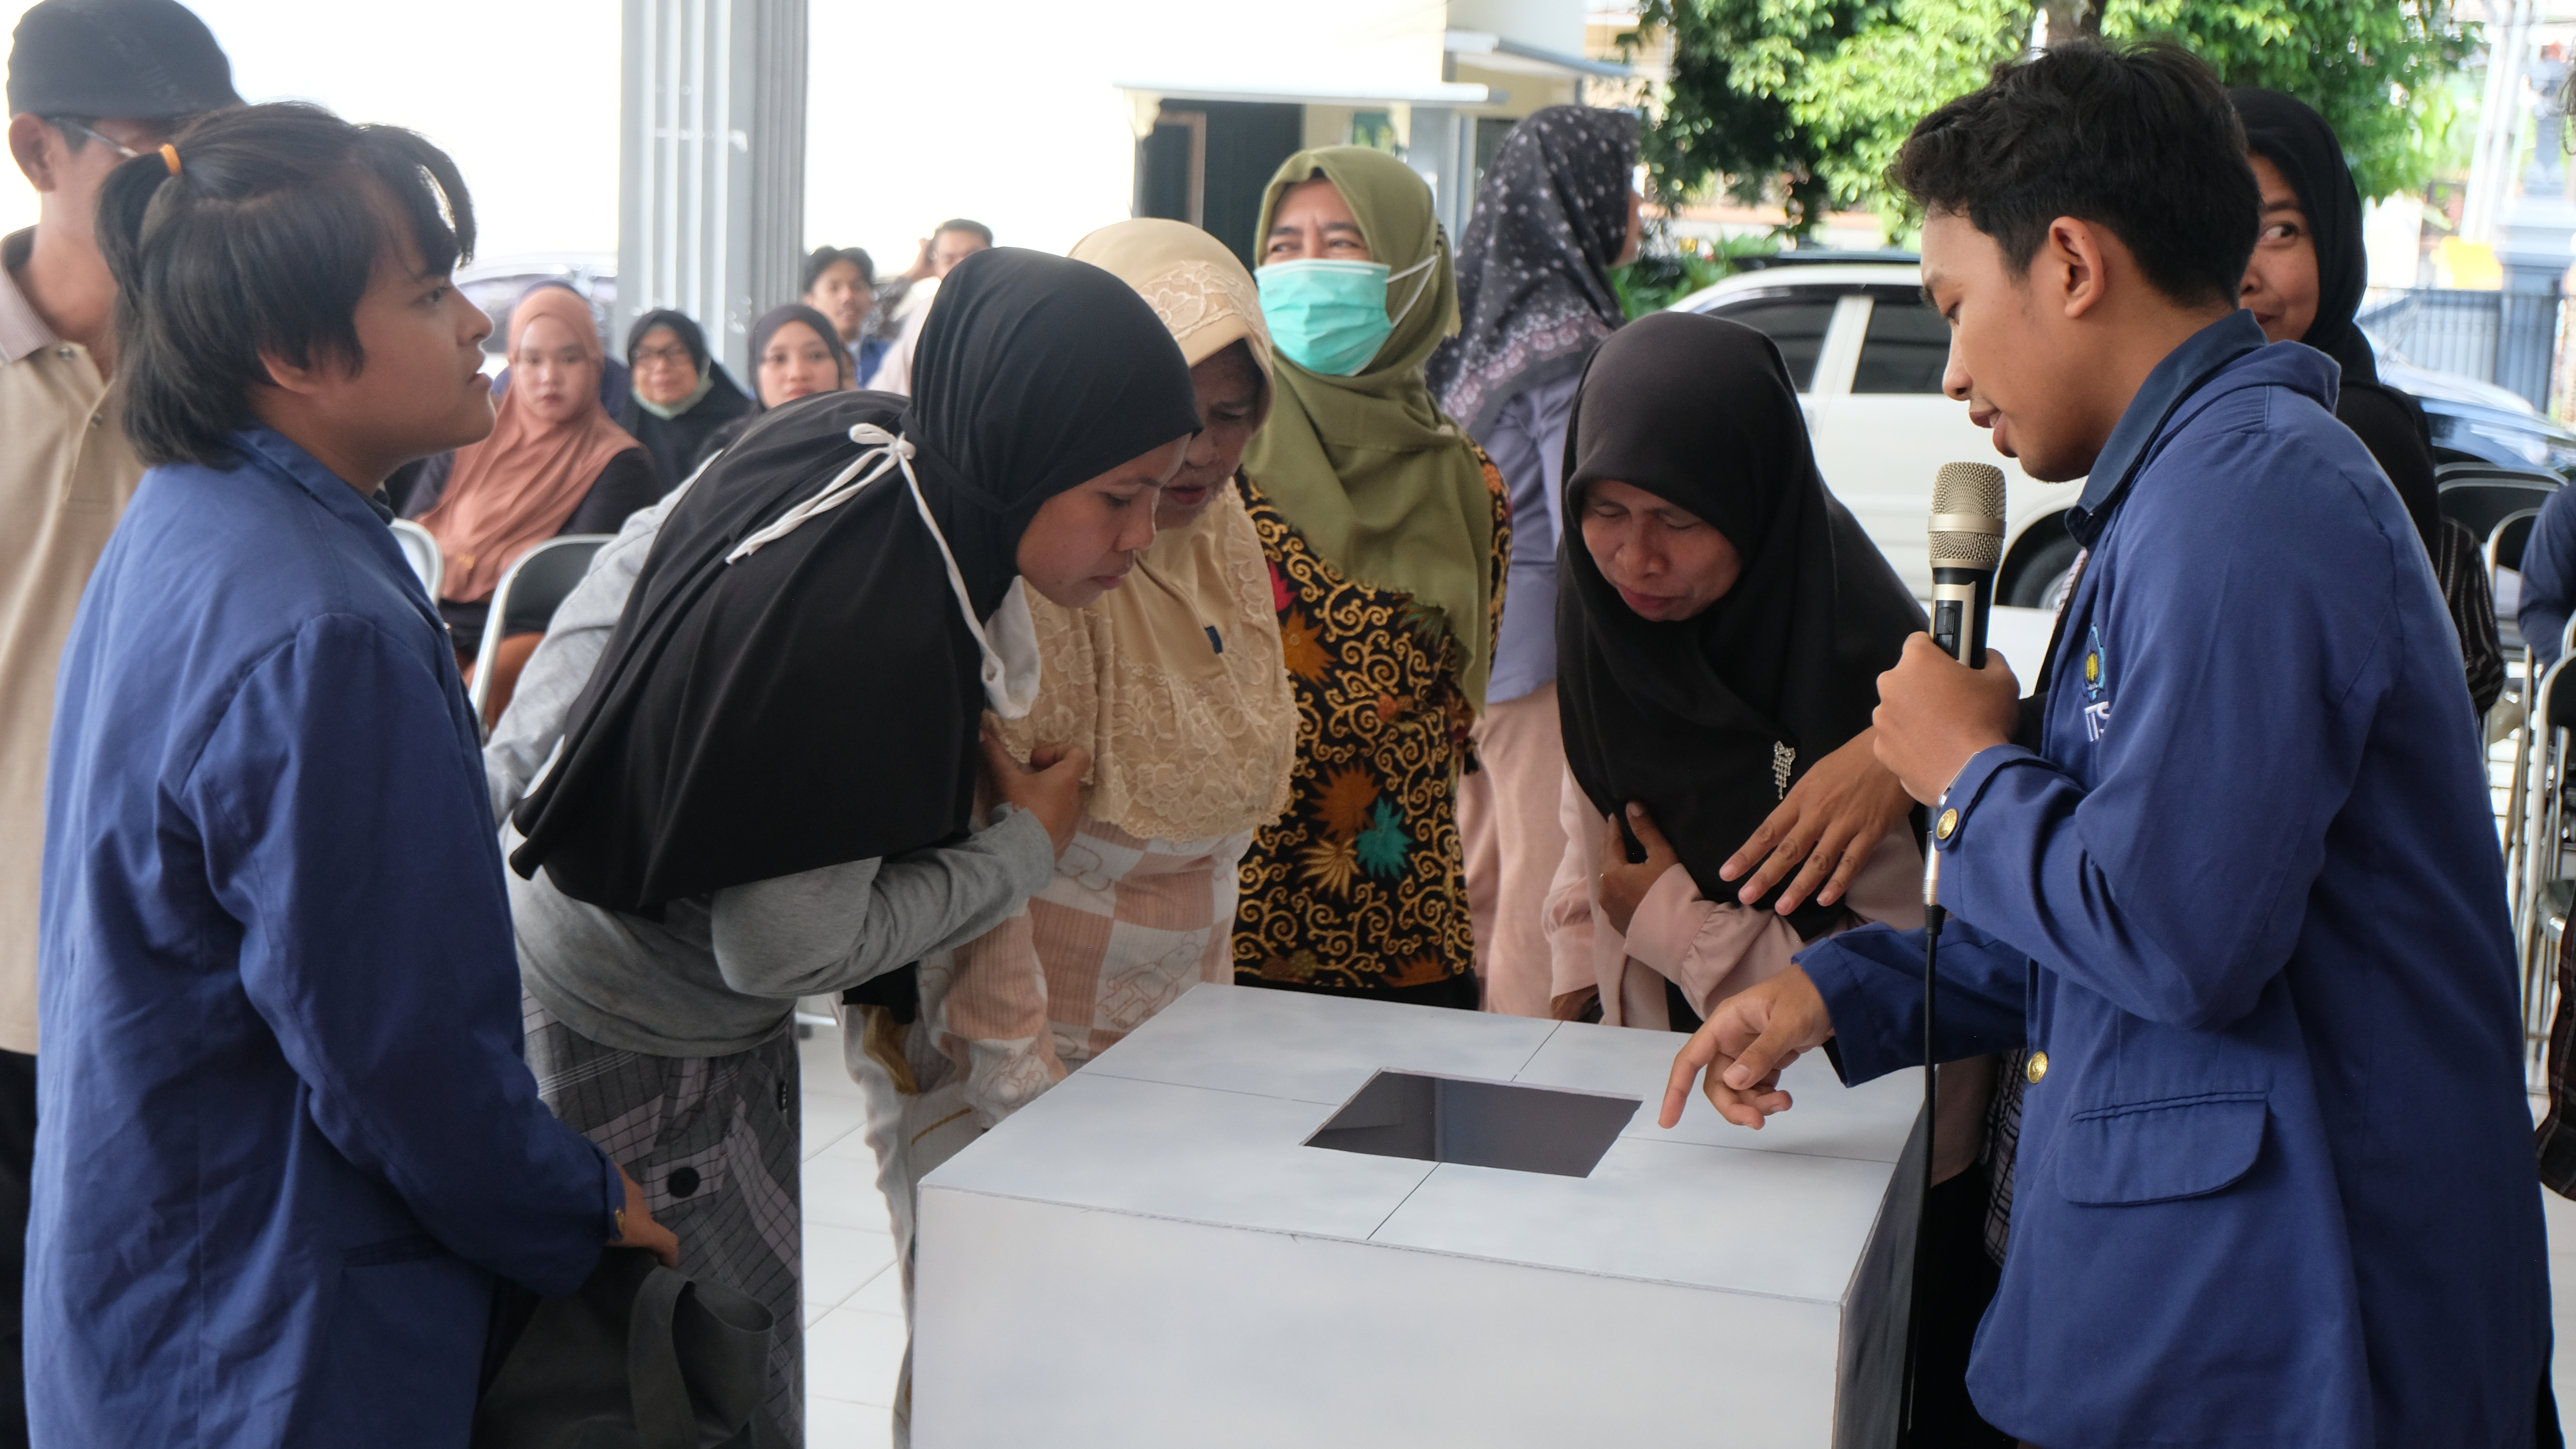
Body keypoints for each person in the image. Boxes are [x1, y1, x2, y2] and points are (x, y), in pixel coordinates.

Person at [1666, 42, 2552, 1446]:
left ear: (2072, 263)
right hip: (2213, 1309)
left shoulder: (2248, 507)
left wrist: (1964, 770)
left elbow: (2178, 938)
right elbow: (2107, 910)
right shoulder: (2184, 497)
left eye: (1956, 307)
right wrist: (1849, 994)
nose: (1954, 372)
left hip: (2298, 1332)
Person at [34, 101, 677, 1448]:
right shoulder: (322, 623)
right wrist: (571, 1200)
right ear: (292, 349)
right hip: (274, 1326)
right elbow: (397, 1052)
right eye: (431, 290)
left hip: (164, 1279)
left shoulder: (191, 519)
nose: (476, 328)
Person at [498, 247, 1202, 1446]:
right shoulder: (869, 637)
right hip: (646, 1050)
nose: (1142, 537)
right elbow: (776, 949)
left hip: (566, 961)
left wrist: (515, 794)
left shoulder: (852, 441)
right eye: (1119, 495)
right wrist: (1024, 850)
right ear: (1023, 446)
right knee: (688, 1390)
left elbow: (619, 588)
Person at [0, 5, 237, 1441]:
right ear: (37, 148)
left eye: (204, 156)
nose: (182, 193)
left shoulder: (227, 377)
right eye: (152, 154)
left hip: (188, 997)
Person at [1232, 145, 1508, 1007]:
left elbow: (1456, 717)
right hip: (1230, 926)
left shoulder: (1470, 482)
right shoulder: (1209, 465)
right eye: (1284, 246)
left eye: (1344, 242)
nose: (1307, 266)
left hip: (1406, 927)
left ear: (1415, 271)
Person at [1428, 104, 1640, 1016]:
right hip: (1542, 657)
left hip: (1469, 644)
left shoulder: (1480, 307)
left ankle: (1459, 1066)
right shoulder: (1565, 335)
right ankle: (1513, 1074)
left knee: (1481, 876)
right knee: (1536, 887)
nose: (1638, 205)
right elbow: (1589, 513)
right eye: (1626, 184)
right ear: (1579, 196)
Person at [2233, 87, 2504, 716]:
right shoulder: (2199, 415)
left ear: (2333, 242)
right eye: (2220, 232)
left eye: (2280, 231)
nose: (2246, 271)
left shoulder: (2352, 432)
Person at [410, 284, 655, 703]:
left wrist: (468, 553)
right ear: (514, 364)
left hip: (531, 630)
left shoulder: (620, 463)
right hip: (439, 615)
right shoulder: (472, 432)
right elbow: (417, 537)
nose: (549, 377)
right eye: (532, 360)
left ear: (596, 362)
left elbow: (562, 583)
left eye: (569, 358)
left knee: (472, 698)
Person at [691, 301, 853, 470]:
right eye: (778, 358)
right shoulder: (726, 451)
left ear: (838, 364)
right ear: (755, 371)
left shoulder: (867, 440)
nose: (797, 373)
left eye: (816, 356)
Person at [616, 306, 750, 491]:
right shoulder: (618, 435)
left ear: (700, 360)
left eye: (676, 352)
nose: (661, 366)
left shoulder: (745, 427)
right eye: (645, 355)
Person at [865, 217, 993, 396]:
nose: (963, 267)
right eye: (949, 259)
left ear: (995, 258)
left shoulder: (1017, 307)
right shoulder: (926, 313)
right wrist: (913, 275)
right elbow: (868, 326)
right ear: (935, 267)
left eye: (974, 257)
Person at [802, 243, 883, 381]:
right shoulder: (794, 361)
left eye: (858, 287)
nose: (848, 297)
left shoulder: (890, 357)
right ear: (810, 300)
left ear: (871, 299)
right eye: (834, 288)